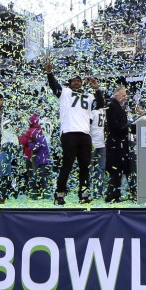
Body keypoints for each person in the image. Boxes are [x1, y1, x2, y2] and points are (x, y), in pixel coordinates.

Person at [45, 60, 104, 205]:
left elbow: (100, 105)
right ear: (69, 83)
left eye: (79, 81)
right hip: (69, 133)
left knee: (85, 167)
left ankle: (84, 194)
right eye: (74, 81)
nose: (77, 83)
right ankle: (59, 194)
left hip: (85, 135)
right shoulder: (65, 93)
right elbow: (54, 86)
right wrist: (49, 73)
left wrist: (97, 89)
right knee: (67, 165)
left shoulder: (89, 96)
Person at [104, 84, 132, 202]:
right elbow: (113, 125)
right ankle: (111, 195)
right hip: (115, 143)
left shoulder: (118, 106)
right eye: (123, 95)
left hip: (121, 142)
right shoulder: (112, 106)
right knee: (115, 169)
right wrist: (127, 126)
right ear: (117, 95)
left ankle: (116, 194)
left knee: (119, 169)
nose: (125, 97)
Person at [19, 113, 51, 199]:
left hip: (31, 155)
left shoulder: (30, 131)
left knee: (32, 174)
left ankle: (33, 193)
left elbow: (25, 142)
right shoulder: (39, 130)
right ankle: (44, 192)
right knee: (42, 174)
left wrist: (20, 137)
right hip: (42, 156)